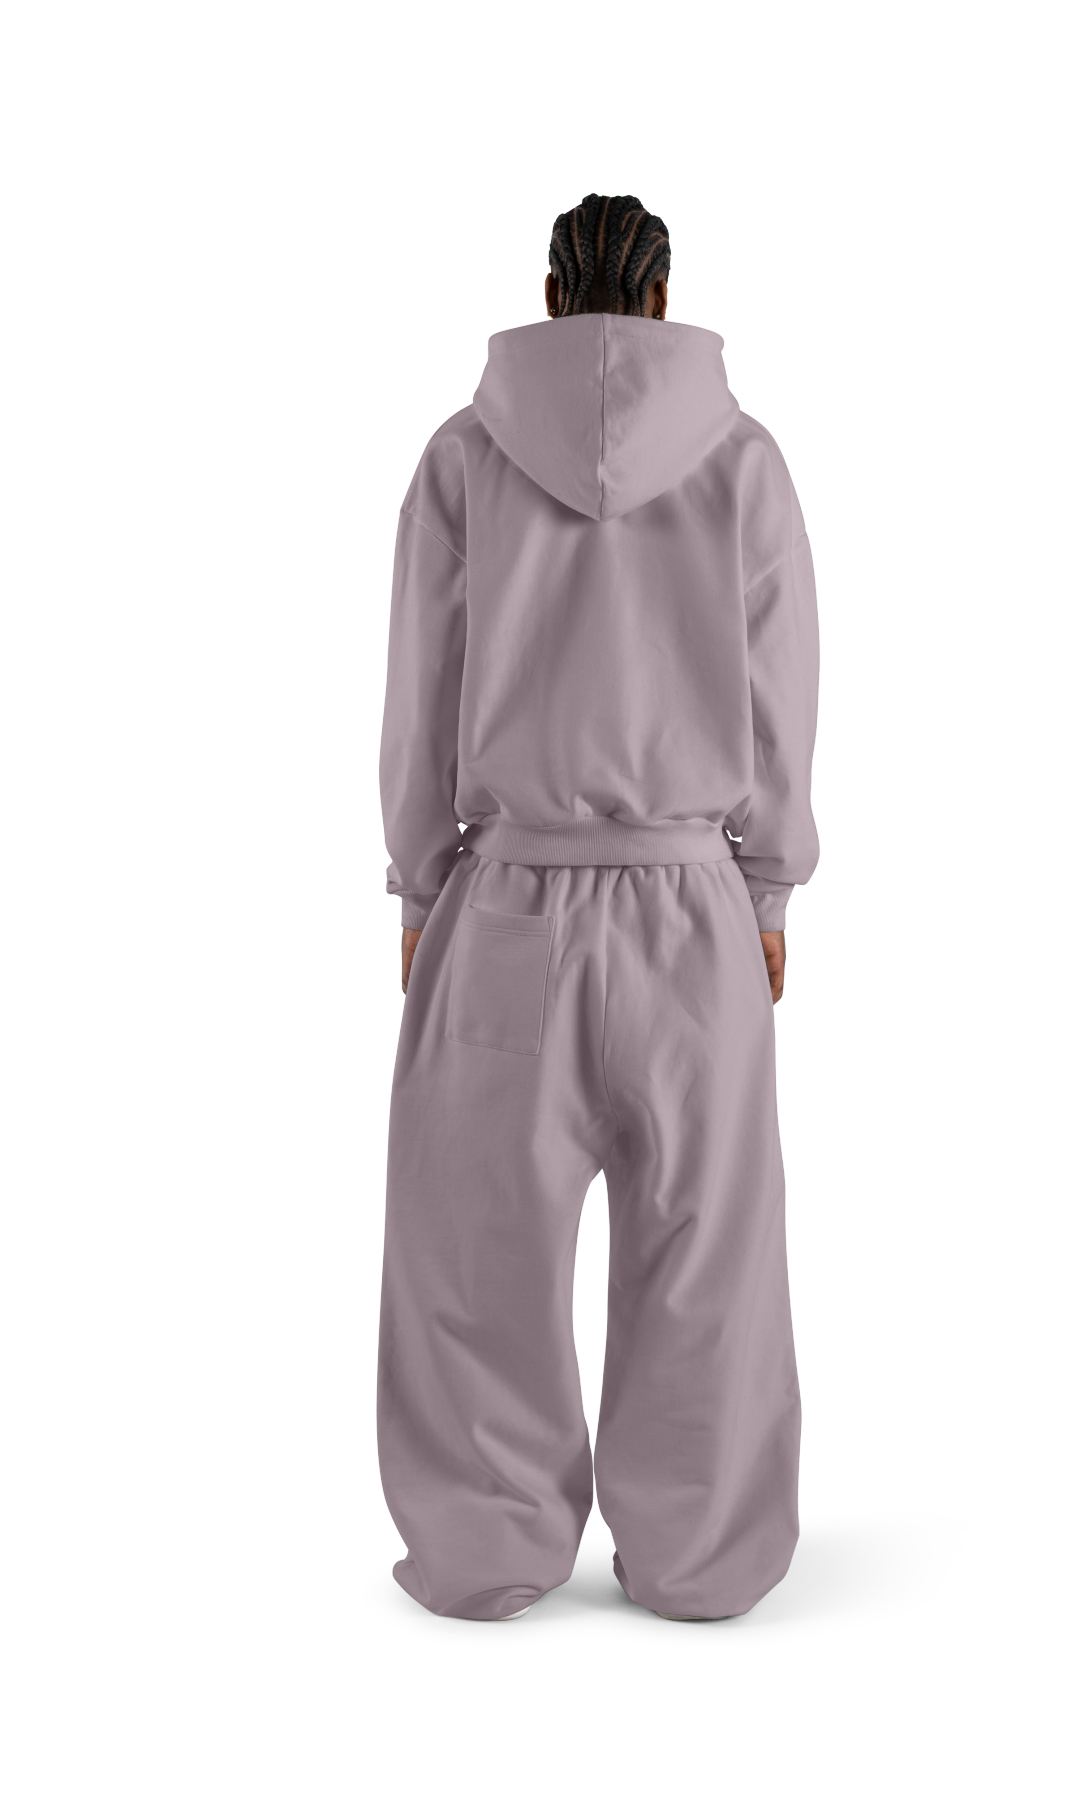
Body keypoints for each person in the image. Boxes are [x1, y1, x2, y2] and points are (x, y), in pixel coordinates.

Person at [376, 192, 820, 1622]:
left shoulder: (465, 456)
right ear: (663, 296)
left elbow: (423, 683)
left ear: (553, 293)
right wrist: (772, 884)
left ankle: (478, 1553)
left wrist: (420, 877)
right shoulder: (743, 463)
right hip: (696, 901)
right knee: (710, 1252)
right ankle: (703, 1562)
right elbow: (782, 691)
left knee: (473, 1249)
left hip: (508, 890)